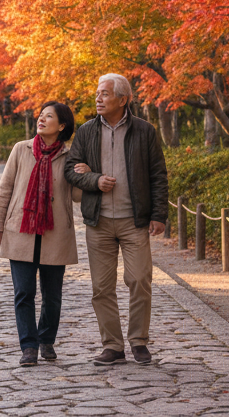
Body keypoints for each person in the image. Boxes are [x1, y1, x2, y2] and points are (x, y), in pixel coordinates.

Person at [64, 73, 168, 366]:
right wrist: (94, 180)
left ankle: (139, 342)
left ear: (123, 99)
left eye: (105, 94)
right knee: (102, 287)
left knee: (139, 280)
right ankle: (112, 346)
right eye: (97, 93)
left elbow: (158, 175)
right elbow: (70, 170)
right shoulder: (85, 131)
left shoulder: (144, 131)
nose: (98, 98)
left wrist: (159, 215)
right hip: (98, 221)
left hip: (133, 220)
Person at [0, 102, 78, 366]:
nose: (41, 119)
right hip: (21, 230)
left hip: (56, 232)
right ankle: (28, 347)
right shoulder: (21, 149)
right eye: (40, 115)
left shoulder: (70, 156)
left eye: (48, 116)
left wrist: (86, 174)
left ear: (61, 126)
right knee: (23, 293)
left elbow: (77, 196)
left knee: (53, 296)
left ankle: (46, 339)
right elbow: (5, 188)